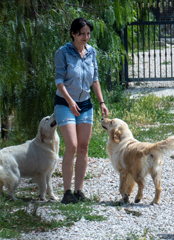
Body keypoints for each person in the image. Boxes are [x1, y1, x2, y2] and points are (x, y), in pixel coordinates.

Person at [54, 18, 109, 204]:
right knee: (72, 146)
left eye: (88, 34)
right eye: (82, 33)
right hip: (64, 103)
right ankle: (67, 192)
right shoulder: (63, 53)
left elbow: (95, 79)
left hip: (85, 104)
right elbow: (59, 81)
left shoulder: (91, 52)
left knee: (84, 147)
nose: (86, 37)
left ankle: (79, 190)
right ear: (73, 34)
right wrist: (69, 101)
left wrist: (101, 102)